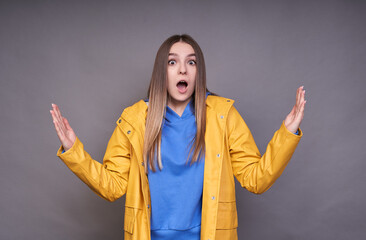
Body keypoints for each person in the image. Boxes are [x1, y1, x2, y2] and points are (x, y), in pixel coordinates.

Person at [50, 34, 306, 240]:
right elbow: (112, 186)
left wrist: (288, 133)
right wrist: (74, 150)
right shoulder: (135, 120)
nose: (182, 69)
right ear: (162, 71)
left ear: (198, 71)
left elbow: (256, 179)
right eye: (172, 62)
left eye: (191, 62)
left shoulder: (223, 115)